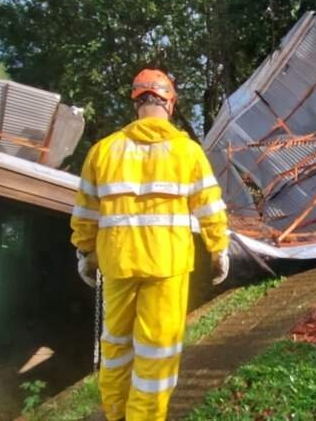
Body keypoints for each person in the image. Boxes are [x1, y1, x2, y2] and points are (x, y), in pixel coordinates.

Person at [70, 68, 230, 420]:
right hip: (167, 265)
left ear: (136, 103)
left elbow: (85, 213)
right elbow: (210, 206)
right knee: (157, 352)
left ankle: (115, 414)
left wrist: (86, 252)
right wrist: (218, 248)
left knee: (116, 348)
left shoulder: (103, 151)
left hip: (117, 265)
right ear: (170, 104)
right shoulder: (186, 152)